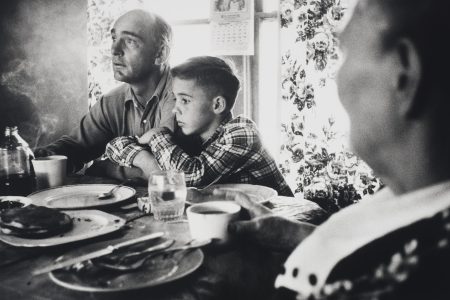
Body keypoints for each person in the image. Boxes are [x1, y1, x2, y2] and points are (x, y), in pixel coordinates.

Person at [214, 0, 450, 299]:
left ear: (403, 74)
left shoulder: (373, 285)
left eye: (344, 53)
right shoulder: (419, 193)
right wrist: (293, 235)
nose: (336, 79)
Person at [105, 56, 294, 197]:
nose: (174, 110)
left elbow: (190, 177)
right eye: (175, 99)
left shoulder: (242, 132)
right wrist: (147, 161)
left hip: (284, 223)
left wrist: (156, 136)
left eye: (185, 100)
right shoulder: (190, 132)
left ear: (217, 105)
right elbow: (114, 146)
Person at [34, 10, 175, 181]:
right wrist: (42, 156)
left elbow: (167, 172)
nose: (115, 50)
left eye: (130, 41)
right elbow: (77, 147)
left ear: (160, 53)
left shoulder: (183, 97)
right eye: (114, 39)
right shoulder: (112, 102)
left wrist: (104, 168)